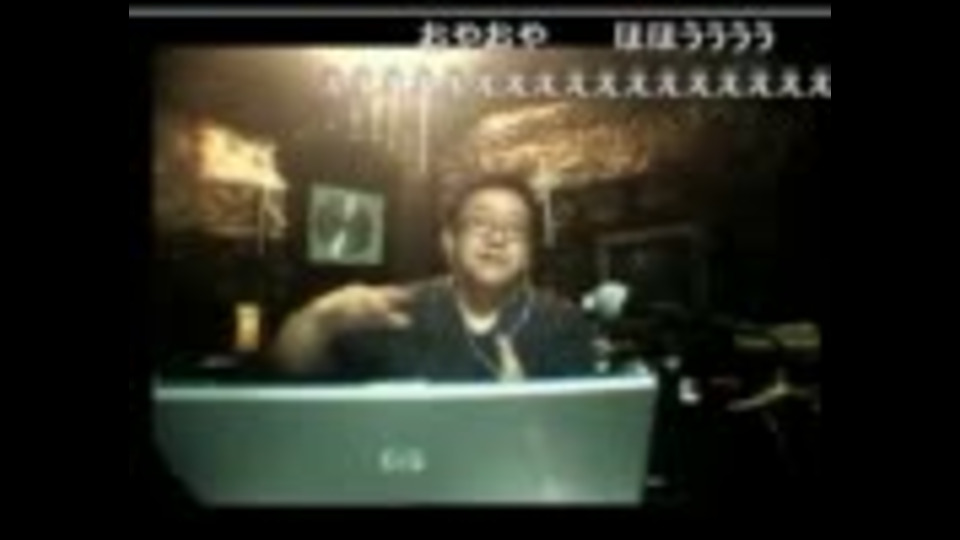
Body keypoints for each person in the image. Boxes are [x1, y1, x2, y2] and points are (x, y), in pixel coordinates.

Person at [272, 173, 600, 381]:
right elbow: (291, 374)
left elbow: (579, 432)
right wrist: (319, 319)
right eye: (480, 223)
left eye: (514, 228)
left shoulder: (562, 322)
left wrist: (523, 407)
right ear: (449, 241)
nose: (497, 238)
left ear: (529, 253)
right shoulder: (398, 308)